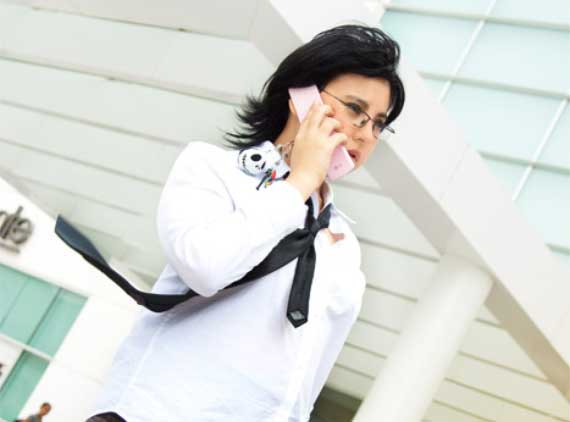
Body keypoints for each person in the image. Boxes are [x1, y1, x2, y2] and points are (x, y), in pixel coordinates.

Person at [87, 24, 405, 422]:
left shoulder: (342, 242)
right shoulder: (213, 169)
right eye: (356, 110)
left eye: (378, 124)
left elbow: (308, 375)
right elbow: (205, 267)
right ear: (302, 96)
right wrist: (300, 182)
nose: (366, 134)